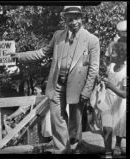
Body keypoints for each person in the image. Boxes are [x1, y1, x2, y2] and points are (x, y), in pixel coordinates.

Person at [7, 6, 100, 153]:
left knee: (75, 120)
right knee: (57, 117)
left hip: (78, 86)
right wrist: (19, 56)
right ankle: (62, 149)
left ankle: (75, 145)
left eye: (76, 18)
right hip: (57, 84)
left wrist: (87, 91)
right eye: (69, 19)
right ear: (65, 20)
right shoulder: (58, 36)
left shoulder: (91, 40)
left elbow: (94, 69)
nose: (73, 22)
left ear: (81, 18)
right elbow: (42, 53)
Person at [101, 20, 126, 156]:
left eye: (125, 33)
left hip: (122, 81)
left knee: (120, 120)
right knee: (109, 123)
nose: (123, 35)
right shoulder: (113, 44)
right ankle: (108, 151)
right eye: (121, 33)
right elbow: (107, 58)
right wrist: (108, 67)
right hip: (114, 75)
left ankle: (117, 144)